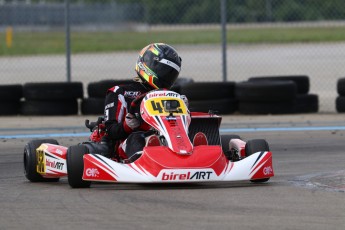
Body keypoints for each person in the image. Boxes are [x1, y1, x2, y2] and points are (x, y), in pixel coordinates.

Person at [103, 43, 183, 161]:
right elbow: (110, 131)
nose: (167, 77)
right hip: (127, 142)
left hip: (167, 138)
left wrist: (183, 109)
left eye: (171, 73)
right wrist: (127, 126)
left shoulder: (170, 96)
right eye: (164, 71)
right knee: (138, 138)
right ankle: (147, 156)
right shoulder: (120, 92)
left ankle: (192, 153)